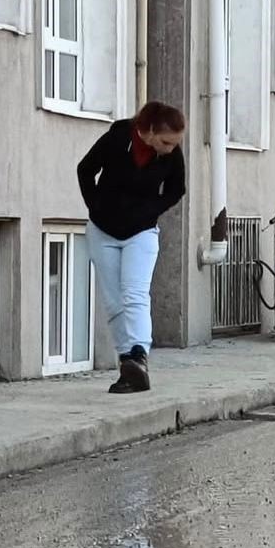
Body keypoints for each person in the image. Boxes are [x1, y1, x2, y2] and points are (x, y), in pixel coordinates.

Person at [77, 101, 187, 393]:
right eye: (165, 142)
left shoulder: (171, 154)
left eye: (175, 143)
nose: (170, 149)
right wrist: (96, 206)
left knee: (135, 293)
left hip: (142, 232)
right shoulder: (117, 138)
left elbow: (177, 189)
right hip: (102, 231)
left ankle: (139, 354)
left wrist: (151, 210)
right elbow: (85, 169)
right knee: (114, 301)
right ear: (148, 131)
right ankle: (128, 365)